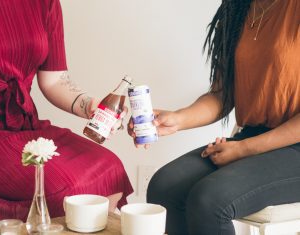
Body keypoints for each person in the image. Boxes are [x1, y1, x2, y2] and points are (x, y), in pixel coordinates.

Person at [128, 0, 299, 234]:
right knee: (164, 186)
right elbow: (222, 94)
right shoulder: (237, 8)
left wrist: (243, 148)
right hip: (254, 135)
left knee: (209, 200)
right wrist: (178, 119)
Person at [0, 0, 133, 230]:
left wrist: (90, 105)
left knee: (109, 169)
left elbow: (54, 80)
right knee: (69, 188)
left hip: (23, 124)